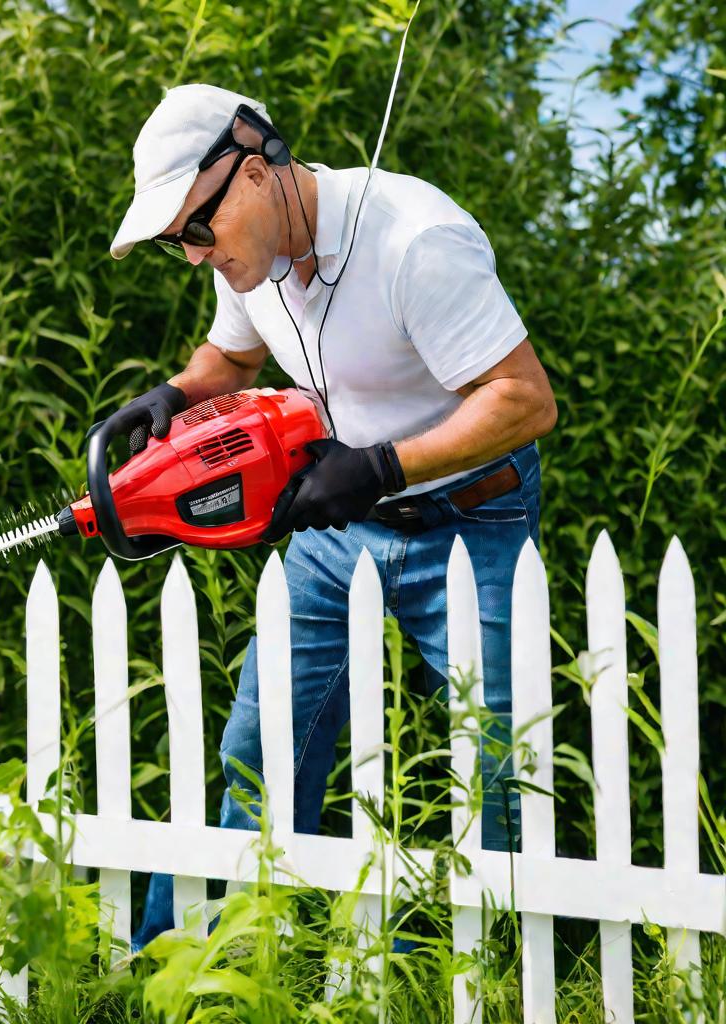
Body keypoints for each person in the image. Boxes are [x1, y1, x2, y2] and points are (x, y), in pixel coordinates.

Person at [103, 84, 558, 953]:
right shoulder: (254, 258)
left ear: (258, 161)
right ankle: (185, 974)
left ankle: (476, 980)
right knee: (260, 746)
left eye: (197, 228)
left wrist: (382, 466)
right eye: (176, 244)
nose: (195, 255)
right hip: (337, 526)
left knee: (495, 766)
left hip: (472, 517)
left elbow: (524, 401)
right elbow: (232, 352)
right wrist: (178, 392)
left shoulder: (415, 240)